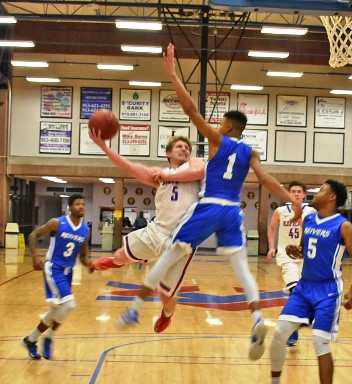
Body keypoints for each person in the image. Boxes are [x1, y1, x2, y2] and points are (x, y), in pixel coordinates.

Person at [116, 43, 303, 361]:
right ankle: (257, 318)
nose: (215, 128)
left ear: (228, 127)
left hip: (209, 205)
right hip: (234, 211)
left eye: (219, 125)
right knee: (242, 268)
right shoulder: (250, 152)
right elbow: (267, 181)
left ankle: (134, 309)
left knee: (169, 253)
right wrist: (293, 203)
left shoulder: (217, 140)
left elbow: (190, 110)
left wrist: (173, 74)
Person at [88, 132, 204, 333]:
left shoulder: (194, 164)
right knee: (120, 255)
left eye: (187, 147)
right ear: (168, 153)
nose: (185, 149)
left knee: (167, 297)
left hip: (182, 240)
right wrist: (104, 148)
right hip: (157, 230)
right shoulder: (159, 174)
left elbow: (198, 171)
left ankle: (166, 316)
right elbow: (129, 167)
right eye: (179, 147)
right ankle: (110, 262)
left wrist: (168, 175)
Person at [270, 180, 352, 384]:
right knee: (279, 333)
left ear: (332, 198)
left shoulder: (343, 226)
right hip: (304, 286)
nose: (316, 192)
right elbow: (303, 249)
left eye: (322, 189)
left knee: (320, 342)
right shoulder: (310, 219)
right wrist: (293, 250)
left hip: (328, 290)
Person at [21, 194, 90, 360]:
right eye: (78, 204)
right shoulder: (57, 222)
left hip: (68, 272)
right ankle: (49, 338)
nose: (81, 207)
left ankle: (30, 340)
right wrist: (35, 257)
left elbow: (83, 256)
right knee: (70, 305)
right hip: (53, 267)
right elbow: (32, 235)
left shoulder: (85, 229)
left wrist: (92, 264)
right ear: (70, 207)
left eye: (83, 204)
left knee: (57, 310)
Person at [266, 181, 315, 346]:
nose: (295, 194)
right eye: (292, 191)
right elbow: (271, 228)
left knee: (298, 295)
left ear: (303, 195)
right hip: (286, 255)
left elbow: (314, 231)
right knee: (295, 290)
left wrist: (300, 219)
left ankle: (294, 322)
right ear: (288, 194)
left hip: (305, 257)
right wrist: (272, 247)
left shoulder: (311, 211)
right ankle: (292, 330)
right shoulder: (280, 211)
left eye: (298, 191)